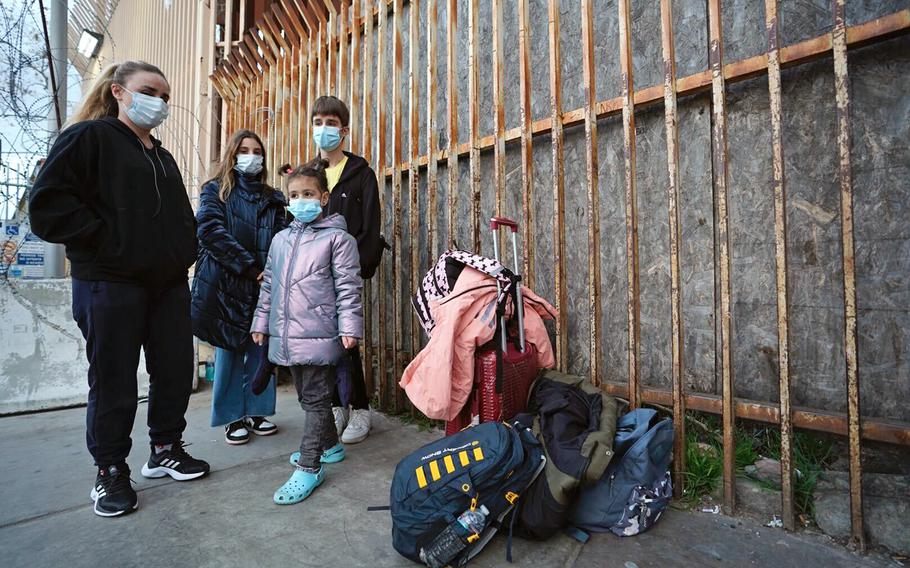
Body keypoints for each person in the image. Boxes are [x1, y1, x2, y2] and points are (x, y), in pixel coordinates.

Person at [28, 61, 209, 518]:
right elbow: (48, 205)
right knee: (114, 378)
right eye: (150, 91)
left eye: (166, 97)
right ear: (118, 92)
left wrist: (183, 251)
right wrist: (108, 243)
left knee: (173, 369)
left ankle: (165, 448)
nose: (160, 103)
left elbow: (177, 218)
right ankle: (109, 469)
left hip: (166, 285)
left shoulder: (160, 154)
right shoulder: (89, 138)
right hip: (109, 282)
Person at [250, 159, 363, 505]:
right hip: (286, 336)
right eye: (294, 195)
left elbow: (348, 287)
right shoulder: (281, 240)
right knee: (306, 397)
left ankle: (310, 465)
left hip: (320, 333)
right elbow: (268, 285)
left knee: (315, 401)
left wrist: (349, 327)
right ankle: (330, 446)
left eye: (308, 194)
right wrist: (260, 323)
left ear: (324, 198)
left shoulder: (338, 240)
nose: (301, 201)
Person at [191, 130, 287, 445]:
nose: (251, 155)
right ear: (233, 155)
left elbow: (285, 237)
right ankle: (233, 417)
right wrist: (249, 268)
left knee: (261, 350)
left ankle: (258, 411)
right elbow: (209, 231)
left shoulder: (273, 198)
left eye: (257, 150)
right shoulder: (215, 191)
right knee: (230, 351)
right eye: (244, 149)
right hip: (227, 285)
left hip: (264, 285)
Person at [311, 95, 382, 444]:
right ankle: (336, 405)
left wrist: (357, 265)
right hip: (317, 275)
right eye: (318, 122)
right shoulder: (311, 174)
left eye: (330, 123)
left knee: (348, 340)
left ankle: (359, 407)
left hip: (347, 273)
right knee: (324, 342)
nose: (323, 130)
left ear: (344, 130)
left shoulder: (361, 174)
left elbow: (371, 226)